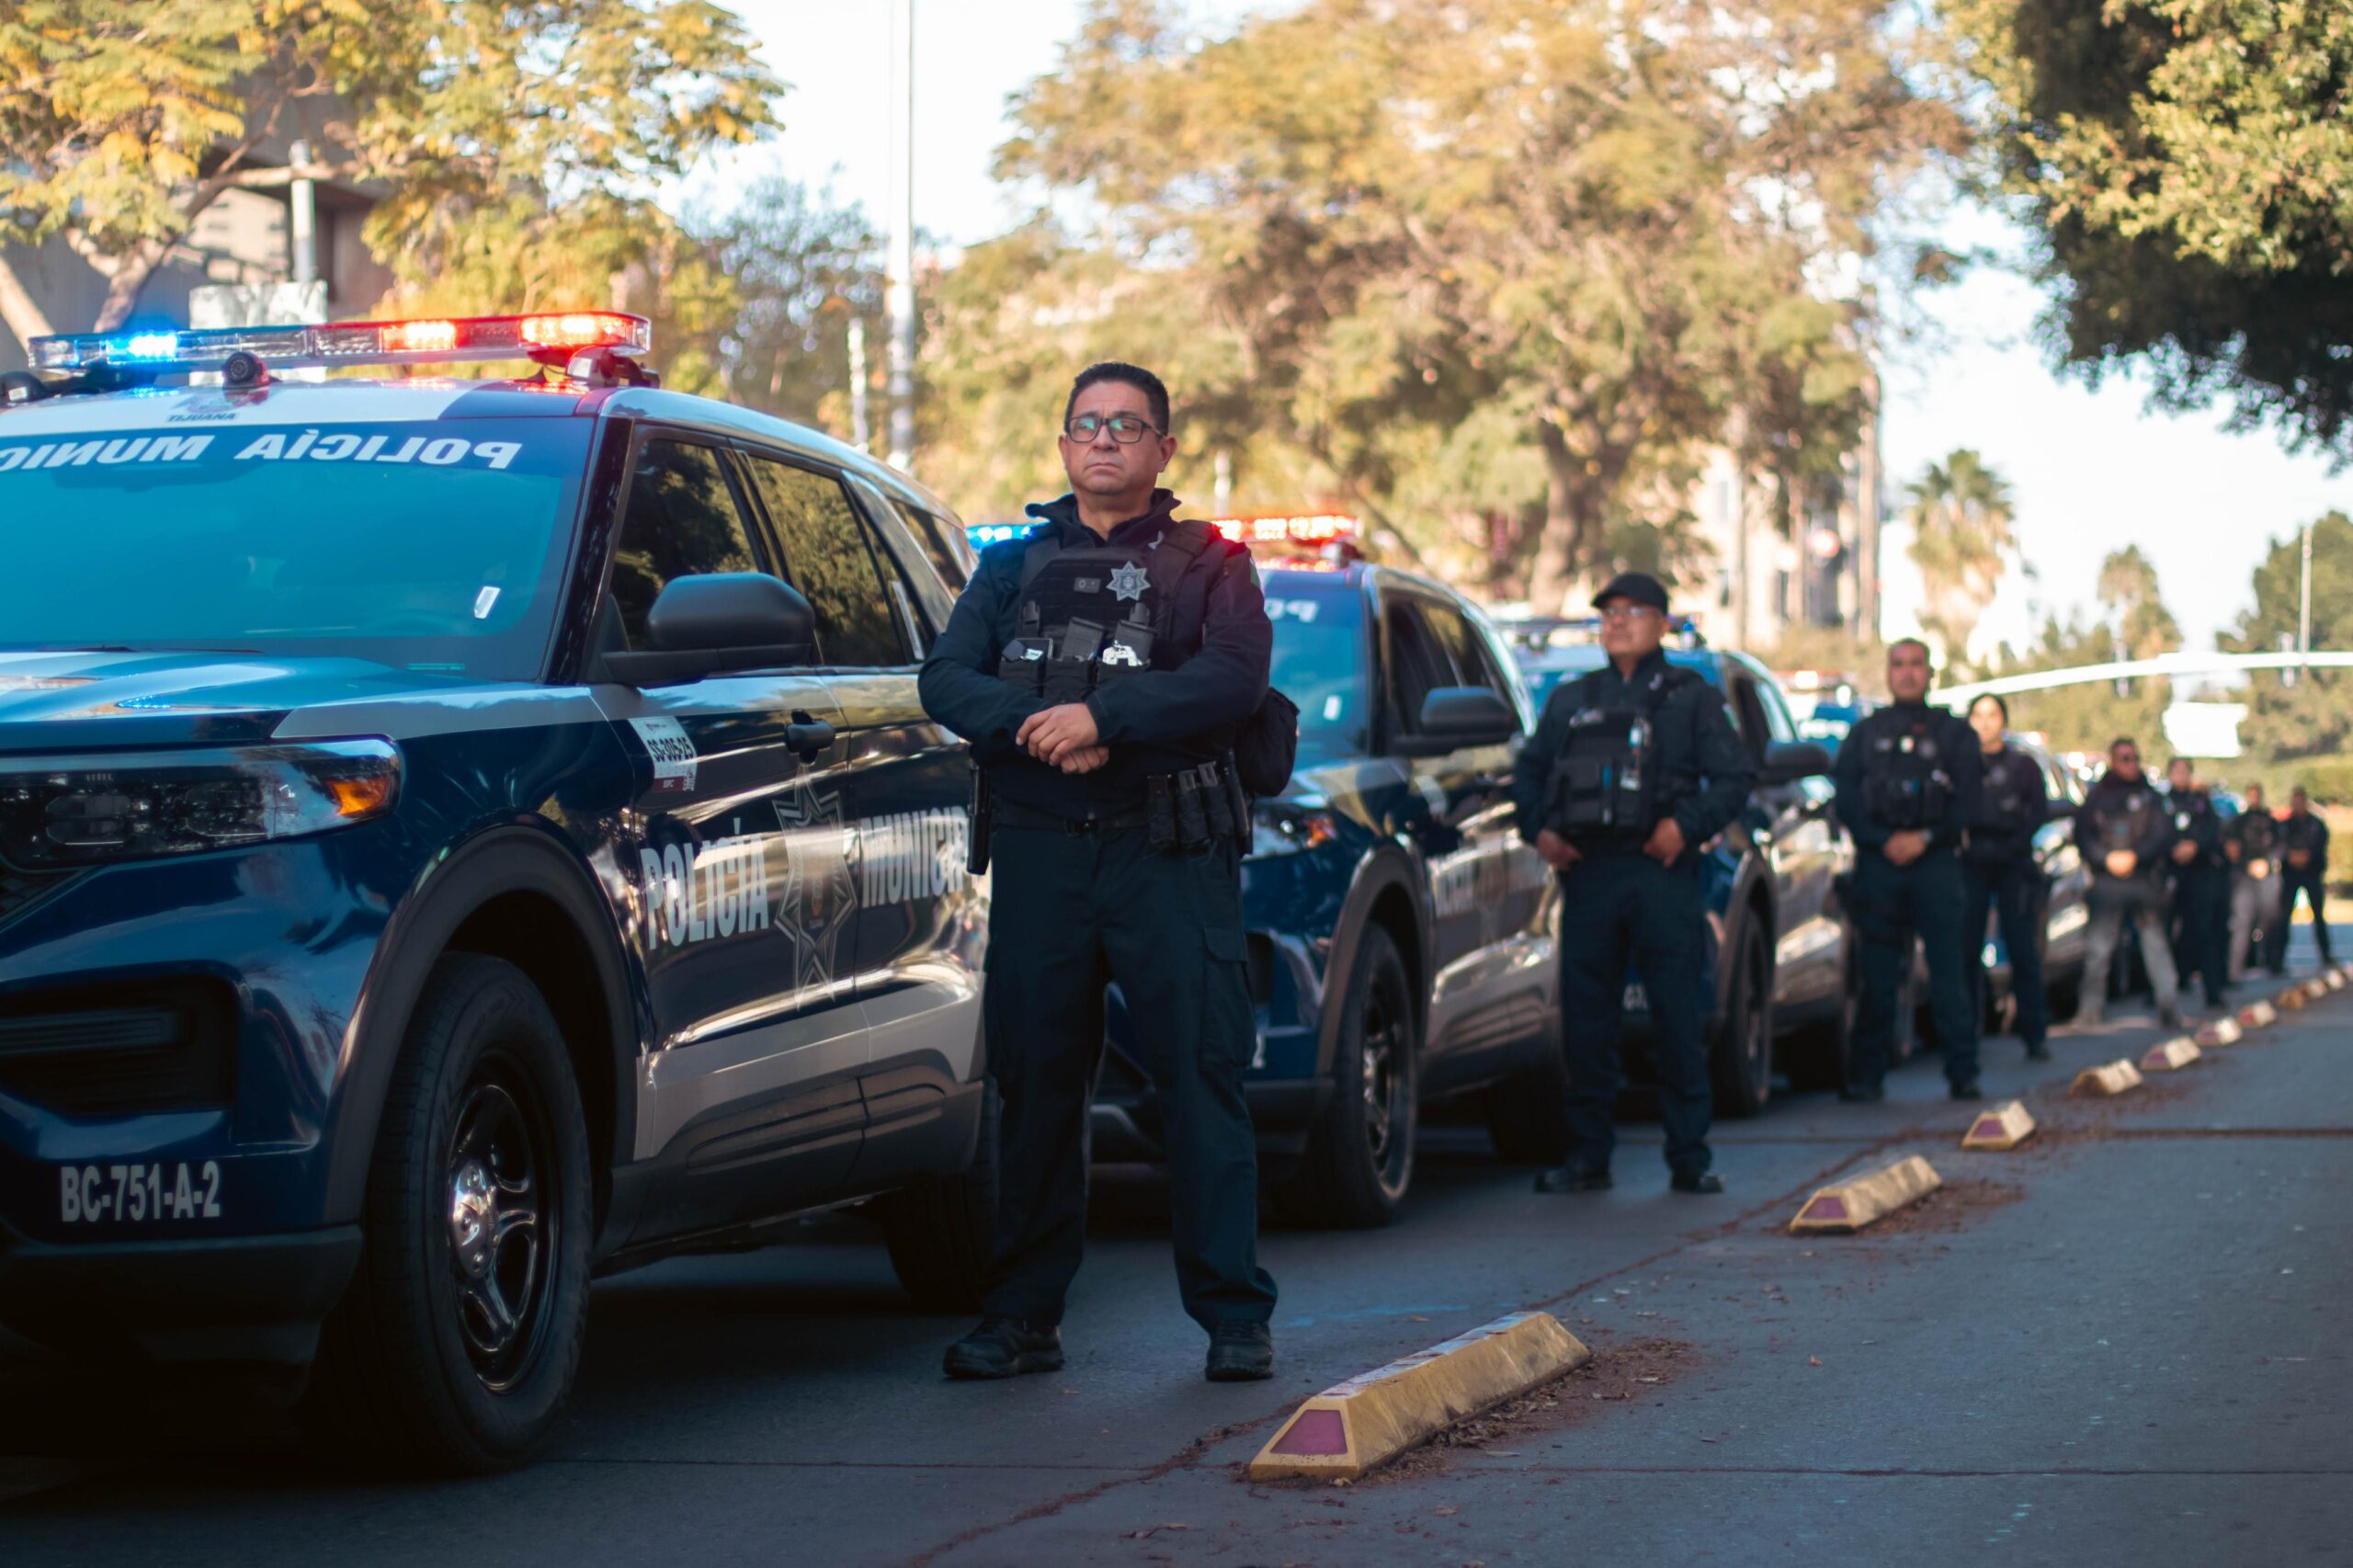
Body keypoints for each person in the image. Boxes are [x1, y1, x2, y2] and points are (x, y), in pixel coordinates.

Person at [917, 361, 1279, 1383]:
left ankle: (1233, 1318)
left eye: (1128, 425)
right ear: (1065, 445)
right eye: (1087, 424)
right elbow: (945, 674)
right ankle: (1022, 1318)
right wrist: (1035, 729)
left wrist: (1104, 719)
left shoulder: (1214, 560)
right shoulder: (1009, 564)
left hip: (1166, 848)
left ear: (1165, 449)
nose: (1106, 439)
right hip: (1039, 847)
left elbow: (1233, 675)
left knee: (1200, 1081)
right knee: (1034, 1087)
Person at [1509, 571, 1754, 1195]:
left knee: (1676, 1014)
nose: (1617, 621)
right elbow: (1529, 774)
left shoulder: (1689, 695)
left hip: (1663, 871)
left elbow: (1733, 778)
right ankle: (1588, 1156)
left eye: (1633, 610)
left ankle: (1689, 1159)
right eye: (1608, 612)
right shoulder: (1571, 697)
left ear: (1662, 622)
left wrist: (1684, 826)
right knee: (1587, 1019)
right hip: (1589, 873)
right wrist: (1540, 831)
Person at [1832, 639, 1984, 1100]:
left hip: (1935, 864)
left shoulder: (1955, 735)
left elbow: (1969, 802)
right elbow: (1847, 800)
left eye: (1916, 664)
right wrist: (1884, 841)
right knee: (1876, 977)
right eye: (1898, 665)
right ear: (1888, 672)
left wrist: (1924, 839)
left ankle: (1963, 1073)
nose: (1906, 673)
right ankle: (1866, 1076)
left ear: (1930, 672)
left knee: (1948, 973)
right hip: (1881, 865)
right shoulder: (1865, 734)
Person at [1961, 694, 2052, 1060]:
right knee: (1966, 950)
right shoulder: (1960, 764)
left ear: (2003, 720)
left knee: (2022, 948)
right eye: (1978, 715)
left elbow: (2039, 811)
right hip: (1971, 863)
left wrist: (2014, 843)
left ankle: (2034, 1033)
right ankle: (1966, 1035)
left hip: (2014, 862)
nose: (1985, 722)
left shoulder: (2023, 766)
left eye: (1992, 715)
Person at [2074, 737, 2185, 1028]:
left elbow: (2164, 834)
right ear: (2112, 760)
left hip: (2142, 880)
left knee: (2154, 944)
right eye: (2124, 758)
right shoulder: (2097, 796)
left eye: (2134, 758)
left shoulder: (2150, 796)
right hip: (2107, 881)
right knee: (2098, 949)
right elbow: (2082, 835)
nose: (2130, 764)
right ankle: (2089, 1011)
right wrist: (2105, 858)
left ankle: (2168, 1006)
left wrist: (2136, 856)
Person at [2165, 757, 2232, 1012]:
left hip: (2199, 874)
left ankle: (2212, 990)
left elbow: (2213, 832)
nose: (2180, 776)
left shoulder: (2201, 803)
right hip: (2169, 873)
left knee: (2203, 932)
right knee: (2164, 930)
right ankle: (2165, 987)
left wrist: (2195, 846)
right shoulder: (2161, 803)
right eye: (2176, 771)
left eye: (2185, 771)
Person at [2268, 787, 2335, 971]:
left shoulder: (2316, 824)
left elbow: (2319, 846)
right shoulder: (2285, 825)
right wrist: (2290, 857)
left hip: (2311, 874)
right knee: (2284, 917)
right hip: (2291, 876)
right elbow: (2279, 846)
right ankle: (2277, 959)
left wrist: (2307, 856)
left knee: (2318, 916)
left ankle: (2325, 952)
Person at [2225, 783, 2284, 983]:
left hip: (2266, 875)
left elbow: (2280, 846)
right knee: (2242, 923)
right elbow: (2231, 848)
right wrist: (2246, 864)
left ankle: (2272, 962)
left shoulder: (2271, 822)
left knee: (2271, 919)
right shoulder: (2238, 823)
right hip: (2244, 875)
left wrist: (2267, 864)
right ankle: (2235, 970)